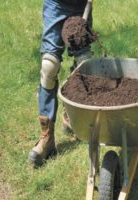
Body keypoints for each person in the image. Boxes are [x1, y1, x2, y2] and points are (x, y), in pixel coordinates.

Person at [29, 0, 93, 167]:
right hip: (56, 4)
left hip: (81, 4)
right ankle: (47, 138)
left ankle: (71, 116)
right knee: (49, 67)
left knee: (83, 63)